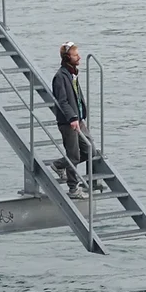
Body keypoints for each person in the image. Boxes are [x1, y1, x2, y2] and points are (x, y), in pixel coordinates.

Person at [51, 41, 92, 200]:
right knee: (73, 155)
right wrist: (72, 118)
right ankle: (73, 188)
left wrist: (80, 116)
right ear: (67, 57)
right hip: (69, 122)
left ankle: (59, 164)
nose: (79, 57)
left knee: (90, 150)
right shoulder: (60, 77)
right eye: (76, 55)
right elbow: (62, 101)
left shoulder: (72, 74)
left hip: (78, 119)